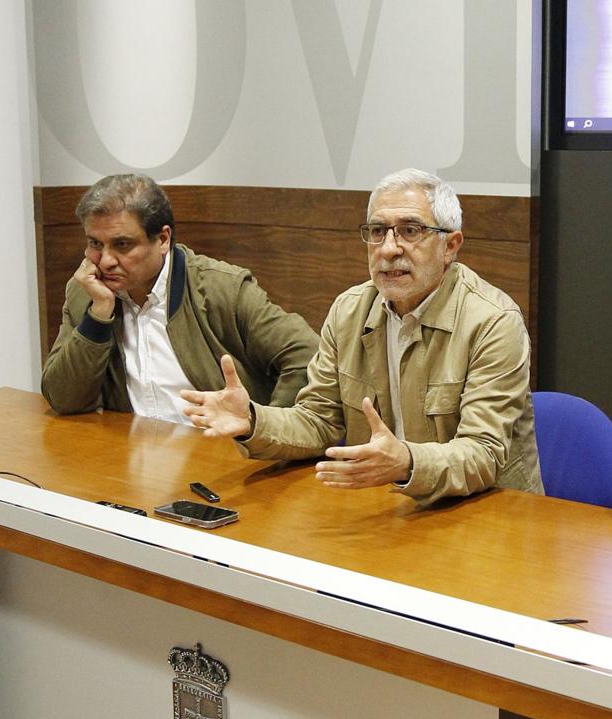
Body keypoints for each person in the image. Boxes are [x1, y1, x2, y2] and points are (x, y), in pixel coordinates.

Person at [181, 168, 543, 507]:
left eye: (411, 231)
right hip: (382, 506)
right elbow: (318, 420)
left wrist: (407, 461)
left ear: (451, 245)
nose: (388, 248)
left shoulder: (493, 321)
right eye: (377, 231)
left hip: (486, 512)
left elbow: (482, 453)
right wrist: (255, 420)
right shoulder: (349, 311)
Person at [41, 174, 318, 424]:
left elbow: (306, 356)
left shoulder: (222, 287)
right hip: (131, 457)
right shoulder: (87, 292)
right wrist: (98, 316)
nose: (106, 261)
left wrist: (264, 430)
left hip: (219, 457)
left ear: (162, 239)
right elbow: (63, 398)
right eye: (95, 244)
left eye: (122, 244)